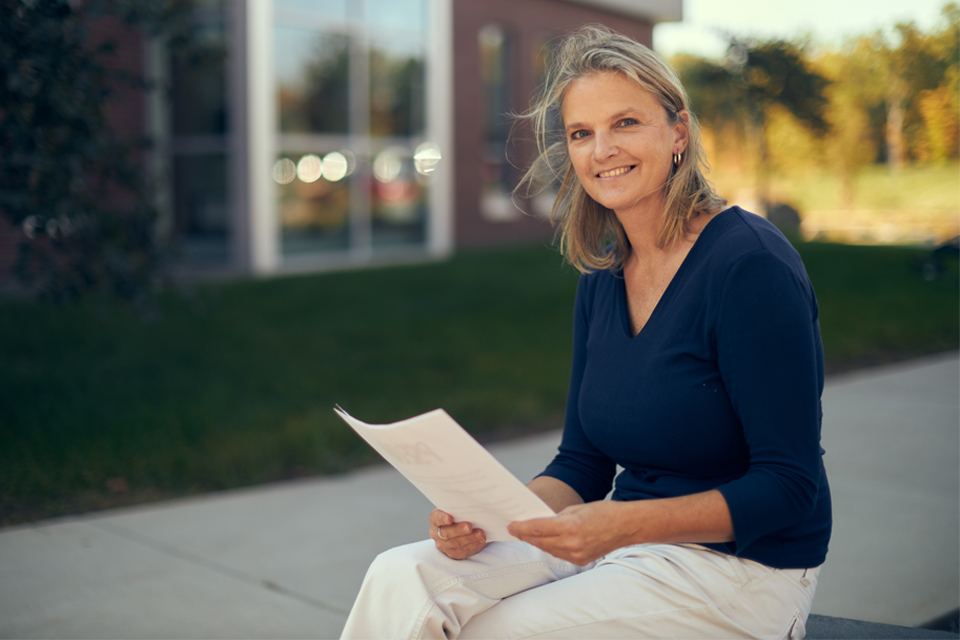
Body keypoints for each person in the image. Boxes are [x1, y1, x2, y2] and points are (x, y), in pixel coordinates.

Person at [341, 24, 831, 640]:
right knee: (401, 576)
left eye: (625, 123)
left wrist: (623, 526)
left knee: (497, 631)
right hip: (619, 541)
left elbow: (789, 487)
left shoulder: (748, 266)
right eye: (581, 133)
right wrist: (489, 522)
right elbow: (583, 461)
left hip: (740, 572)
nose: (602, 150)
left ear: (677, 132)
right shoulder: (604, 272)